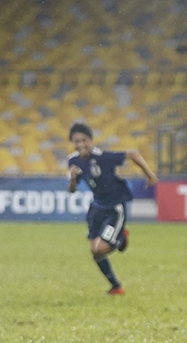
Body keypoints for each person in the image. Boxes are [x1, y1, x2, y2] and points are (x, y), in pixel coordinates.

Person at [67, 122, 158, 295]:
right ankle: (116, 286)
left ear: (91, 140)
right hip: (96, 207)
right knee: (94, 251)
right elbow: (72, 189)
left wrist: (150, 175)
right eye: (76, 141)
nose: (80, 145)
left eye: (84, 140)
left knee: (101, 248)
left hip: (115, 207)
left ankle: (121, 237)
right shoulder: (73, 161)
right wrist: (71, 178)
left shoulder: (102, 157)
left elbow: (132, 154)